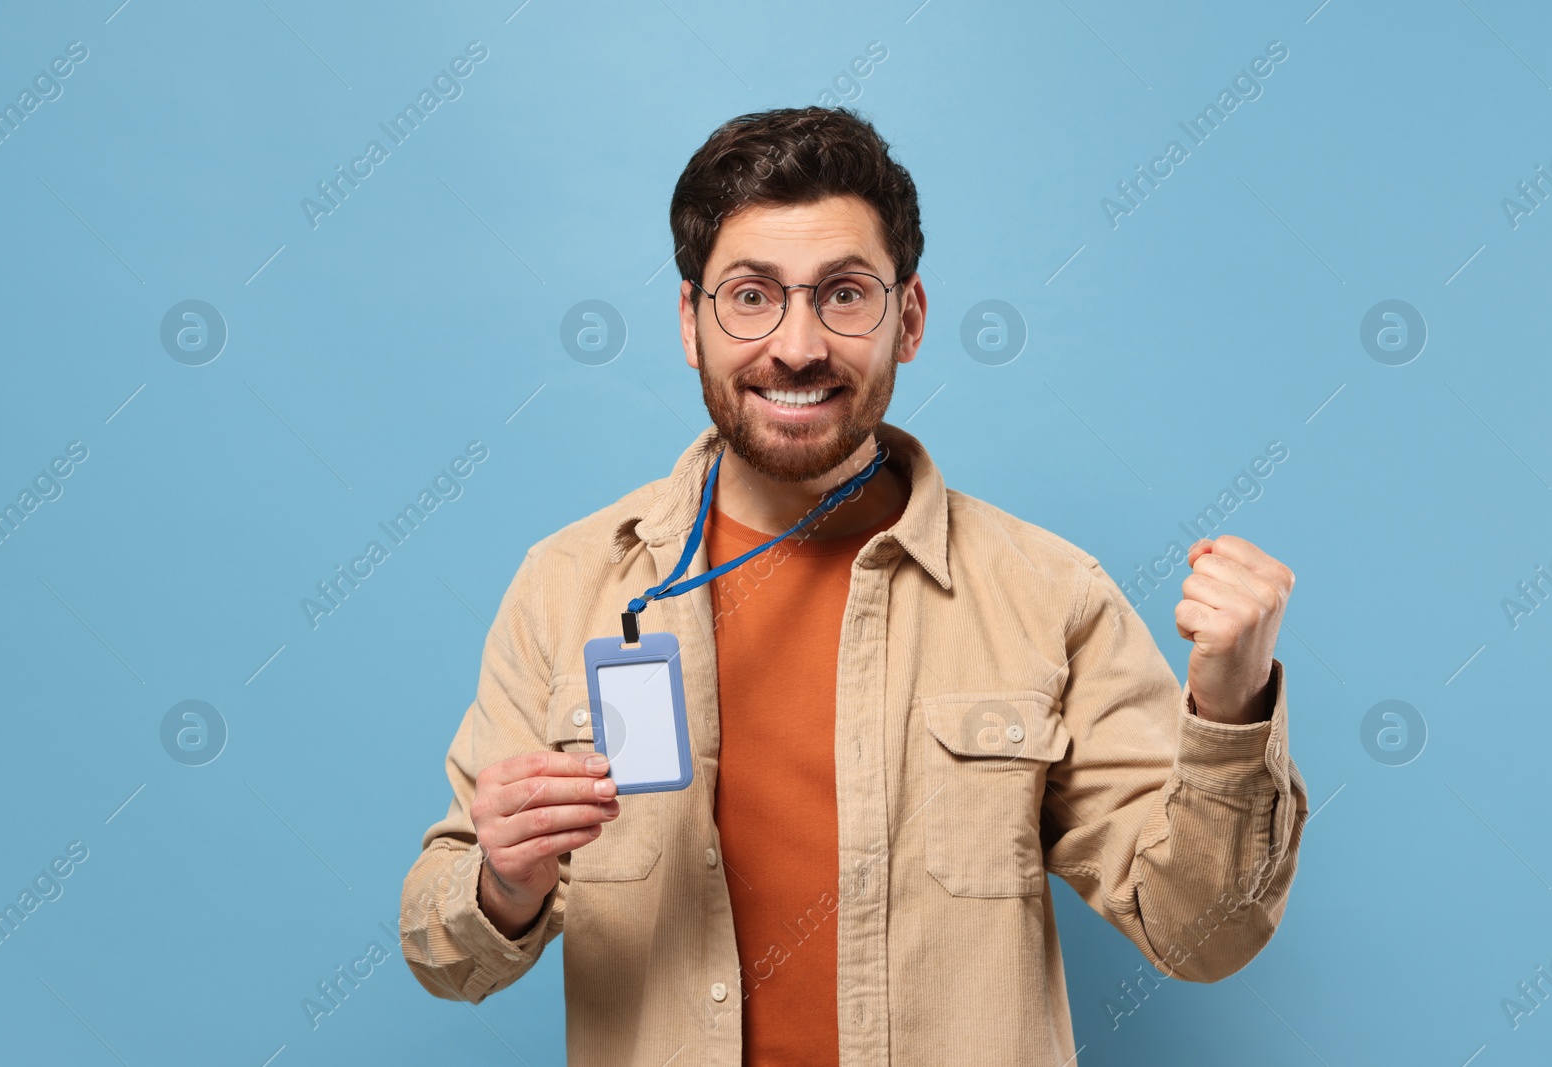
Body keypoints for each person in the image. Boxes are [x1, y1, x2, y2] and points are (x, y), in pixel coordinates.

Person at [400, 105, 1308, 1066]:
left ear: (907, 319)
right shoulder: (567, 584)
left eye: (843, 295)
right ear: (689, 322)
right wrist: (504, 883)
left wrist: (1233, 701)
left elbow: (1202, 935)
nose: (796, 345)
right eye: (751, 296)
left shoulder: (1051, 596)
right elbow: (445, 956)